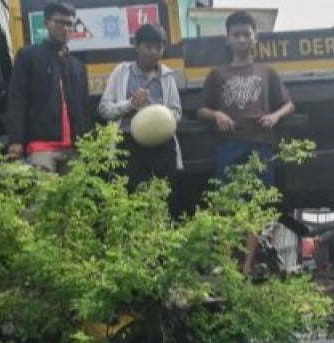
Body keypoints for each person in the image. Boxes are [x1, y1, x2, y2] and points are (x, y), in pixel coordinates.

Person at [197, 11, 295, 274]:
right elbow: (200, 109)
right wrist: (216, 114)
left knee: (256, 205)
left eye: (246, 35)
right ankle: (228, 263)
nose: (242, 39)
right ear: (228, 39)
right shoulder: (217, 74)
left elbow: (289, 104)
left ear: (255, 38)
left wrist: (274, 116)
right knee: (228, 205)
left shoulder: (267, 72)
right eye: (236, 35)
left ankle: (248, 264)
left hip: (261, 144)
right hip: (229, 146)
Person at [6, 1, 92, 173]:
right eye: (59, 22)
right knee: (43, 198)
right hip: (41, 147)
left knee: (76, 199)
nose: (65, 28)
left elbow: (85, 108)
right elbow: (17, 98)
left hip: (74, 149)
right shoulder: (28, 56)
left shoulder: (77, 66)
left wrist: (88, 143)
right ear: (46, 23)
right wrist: (15, 140)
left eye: (69, 24)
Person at [99, 24, 184, 191]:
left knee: (164, 196)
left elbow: (176, 112)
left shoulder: (167, 76)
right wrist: (130, 105)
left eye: (158, 47)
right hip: (129, 146)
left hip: (162, 146)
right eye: (148, 46)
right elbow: (104, 109)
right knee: (132, 197)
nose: (153, 52)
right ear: (137, 47)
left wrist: (157, 114)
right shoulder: (122, 72)